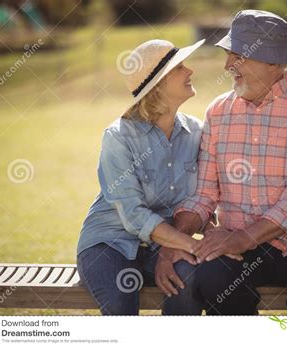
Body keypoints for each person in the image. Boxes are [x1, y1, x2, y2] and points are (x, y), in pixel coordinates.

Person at [174, 10, 287, 315]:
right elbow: (204, 193)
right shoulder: (218, 112)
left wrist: (243, 239)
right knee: (212, 276)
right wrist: (178, 237)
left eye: (237, 55)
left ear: (272, 62)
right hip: (233, 244)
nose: (227, 65)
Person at [76, 38, 207, 315]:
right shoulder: (119, 137)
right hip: (109, 243)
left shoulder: (197, 132)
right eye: (179, 67)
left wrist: (210, 234)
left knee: (187, 280)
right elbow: (134, 215)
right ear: (157, 86)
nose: (190, 71)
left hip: (165, 244)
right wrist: (191, 244)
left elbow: (206, 196)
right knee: (122, 301)